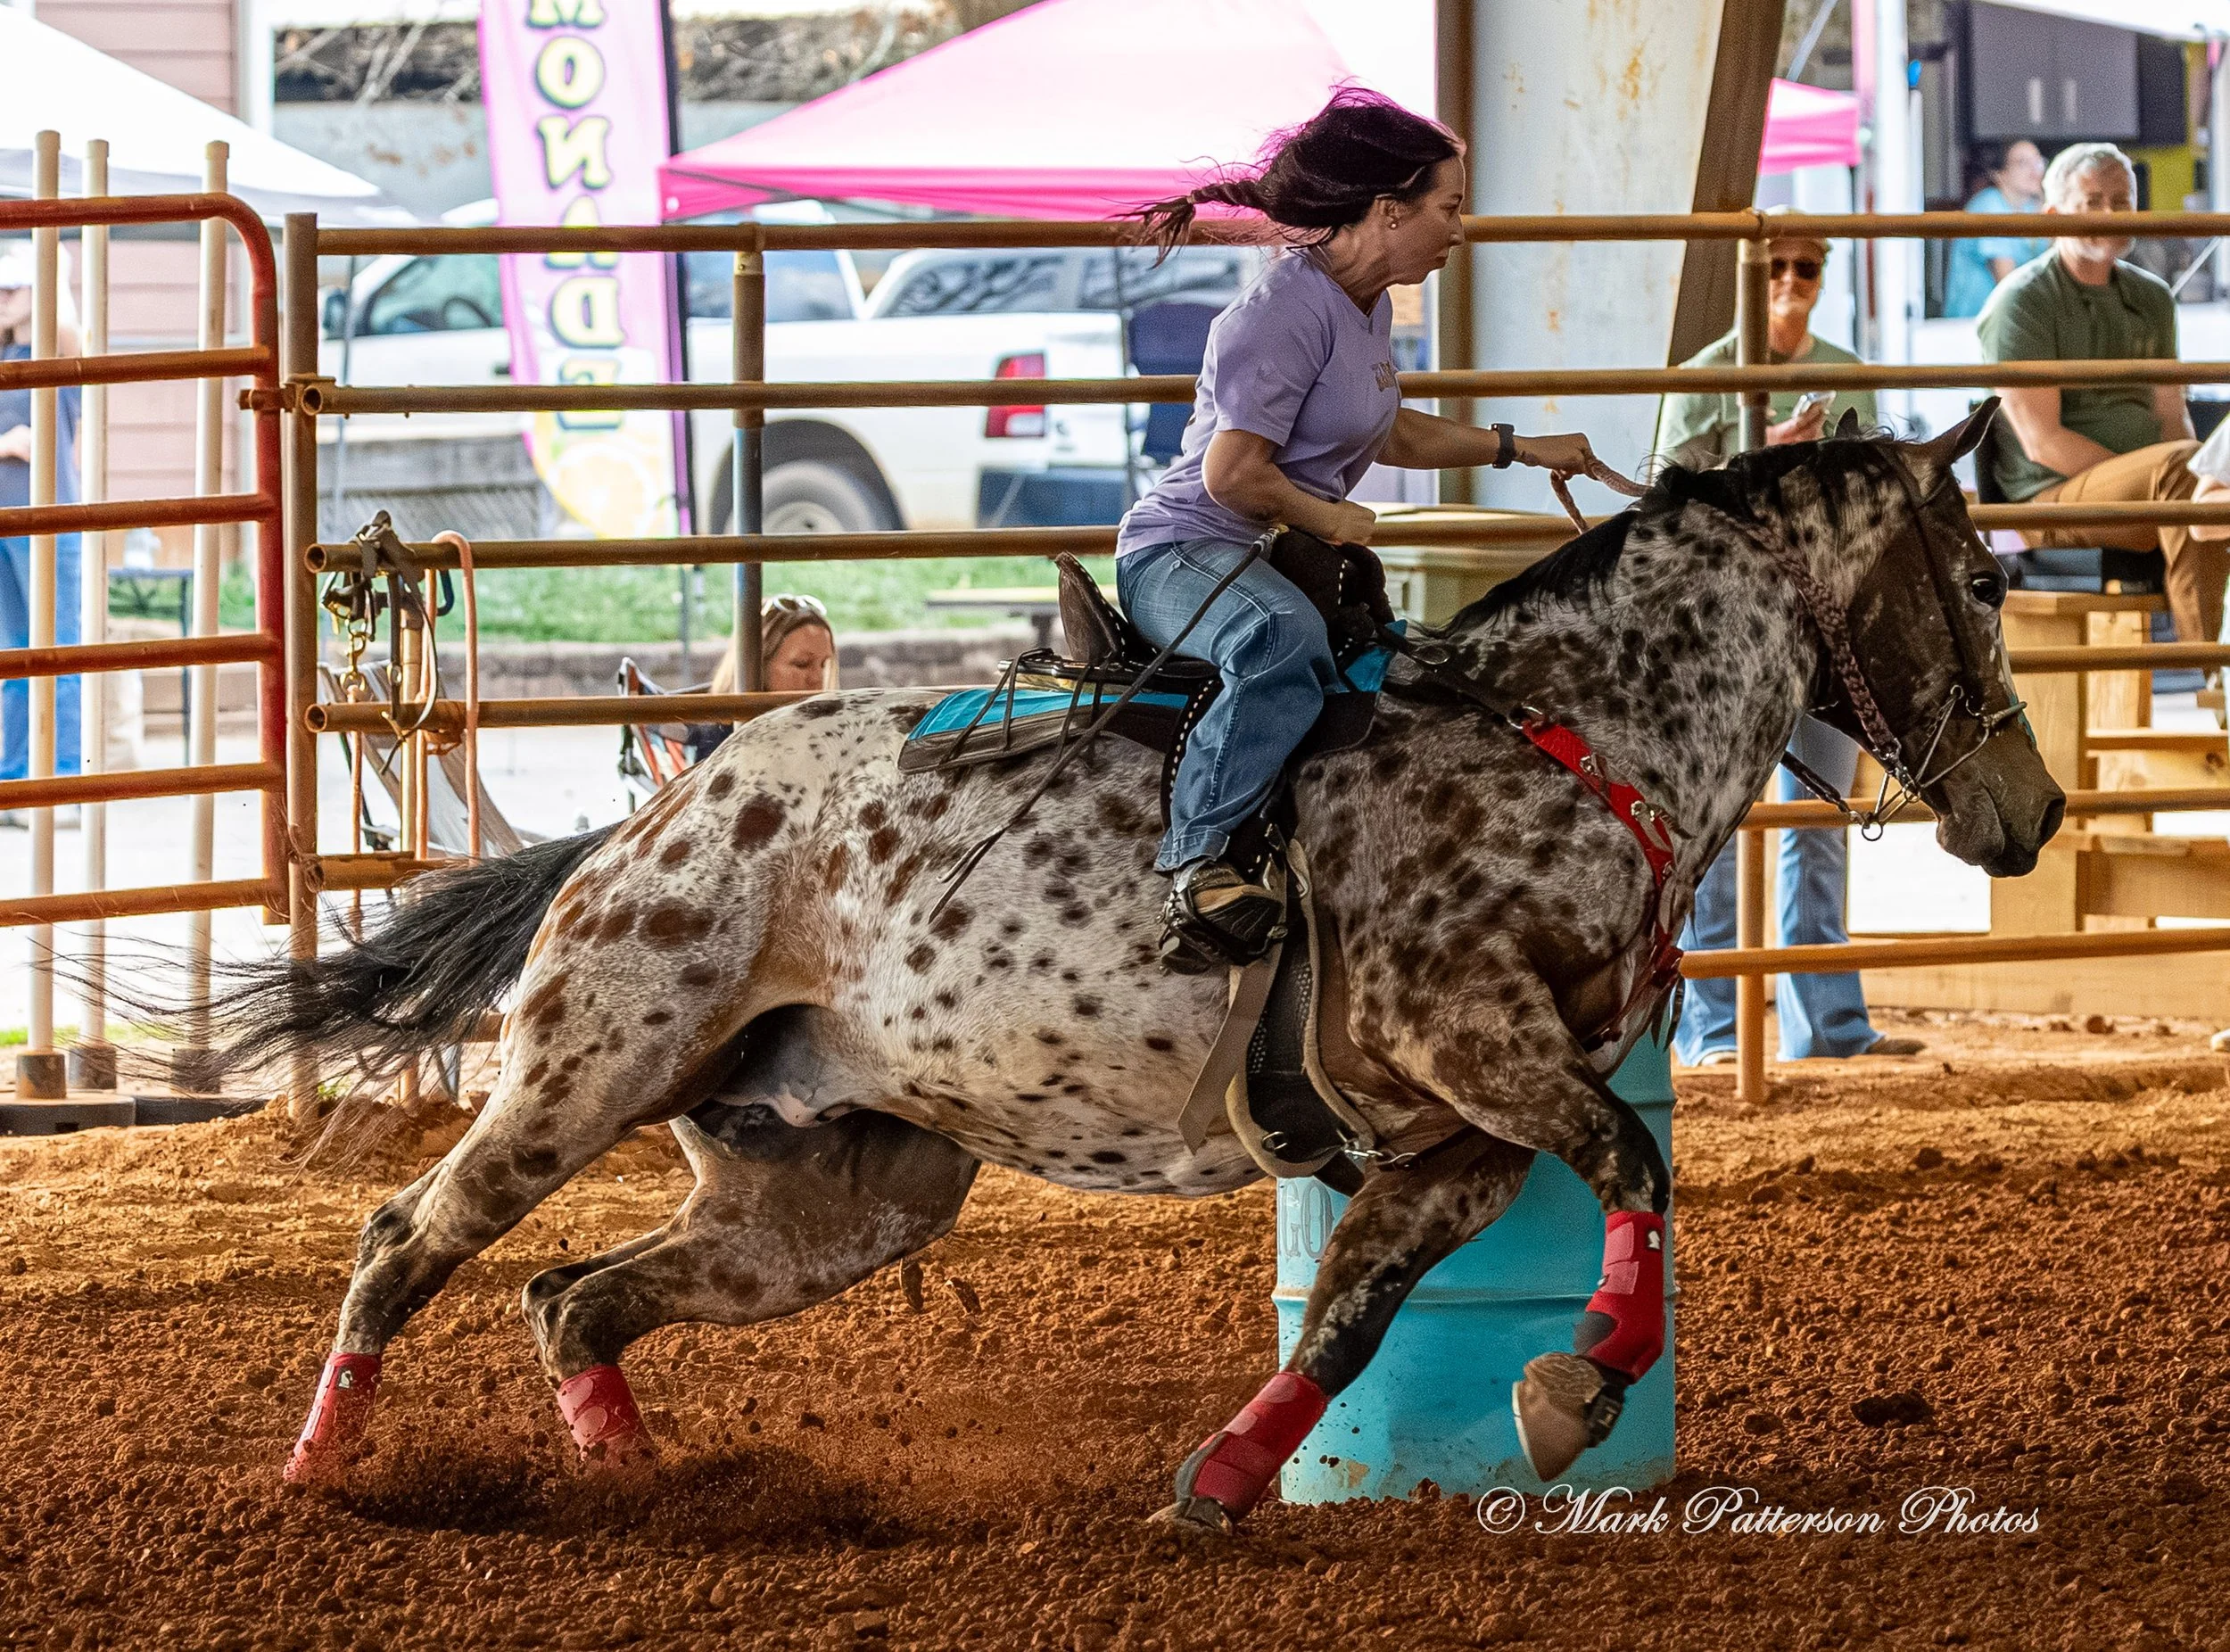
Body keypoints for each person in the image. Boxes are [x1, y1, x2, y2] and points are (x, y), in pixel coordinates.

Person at [1119, 88, 1612, 971]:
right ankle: (1196, 866)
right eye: (1448, 207)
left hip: (1263, 549)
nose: (1458, 230)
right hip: (1183, 549)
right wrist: (1331, 516)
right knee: (1278, 642)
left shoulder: (1362, 304)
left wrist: (1519, 446)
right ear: (1388, 213)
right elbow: (1230, 476)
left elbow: (1384, 422)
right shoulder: (1277, 315)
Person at [1654, 230, 1920, 1064]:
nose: (1791, 280)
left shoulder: (1842, 369)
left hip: (1823, 617)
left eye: (1807, 266)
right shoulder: (1706, 380)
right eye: (1776, 266)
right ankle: (1717, 1031)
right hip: (1732, 621)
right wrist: (1764, 455)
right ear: (1752, 278)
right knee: (1728, 826)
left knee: (1816, 818)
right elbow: (1663, 502)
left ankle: (1825, 1025)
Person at [1981, 142, 2225, 643]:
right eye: (2092, 201)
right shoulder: (2022, 301)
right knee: (2191, 478)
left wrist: (2175, 478)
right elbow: (2043, 443)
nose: (2112, 213)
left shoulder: (2153, 298)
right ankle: (2212, 675)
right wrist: (2158, 480)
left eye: (2123, 199)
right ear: (2051, 215)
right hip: (2050, 500)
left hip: (2148, 485)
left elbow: (2171, 416)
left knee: (2205, 482)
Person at [0, 241, 83, 800]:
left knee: (59, 647)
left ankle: (62, 773)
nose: (3, 298)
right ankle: (15, 774)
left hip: (46, 517)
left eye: (14, 288)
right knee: (13, 651)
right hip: (7, 520)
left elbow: (37, 444)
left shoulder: (58, 348)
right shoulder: (7, 357)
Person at [1943, 140, 2048, 319]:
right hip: (1972, 321)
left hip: (2008, 317)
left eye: (2038, 162)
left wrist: (2045, 200)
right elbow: (2006, 281)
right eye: (2023, 163)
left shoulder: (2032, 207)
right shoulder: (1989, 206)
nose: (2034, 171)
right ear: (2000, 174)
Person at [710, 593, 837, 695]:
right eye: (802, 664)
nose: (817, 678)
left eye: (824, 665)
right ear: (757, 667)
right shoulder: (703, 721)